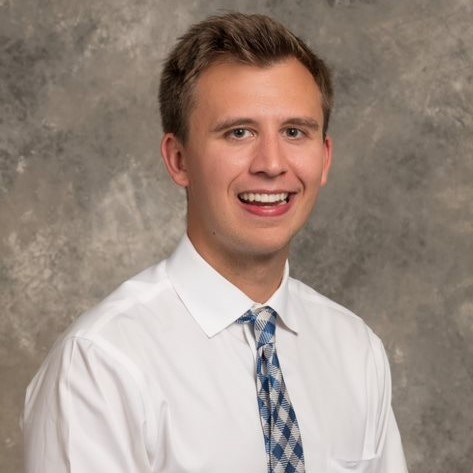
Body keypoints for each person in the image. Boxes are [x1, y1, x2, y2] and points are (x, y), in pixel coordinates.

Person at [23, 12, 408, 473]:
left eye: (294, 132)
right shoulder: (101, 365)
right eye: (238, 132)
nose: (271, 164)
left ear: (324, 159)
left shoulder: (356, 351)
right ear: (179, 159)